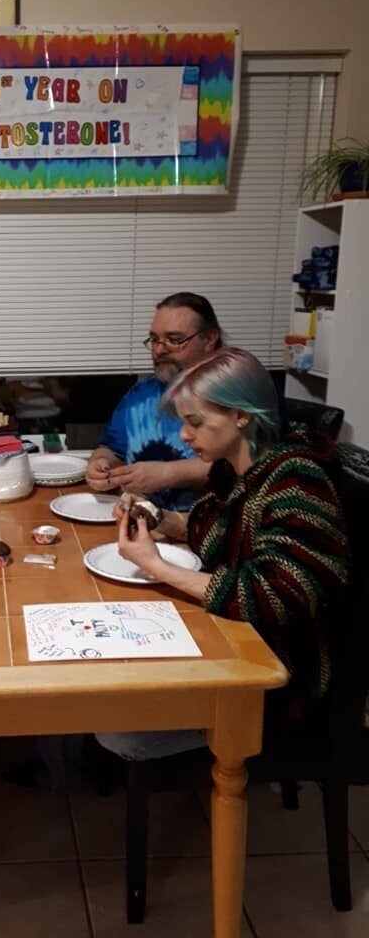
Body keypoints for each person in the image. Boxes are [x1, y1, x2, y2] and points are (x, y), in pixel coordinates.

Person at [96, 347, 349, 763]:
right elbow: (216, 530)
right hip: (231, 639)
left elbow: (271, 596)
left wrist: (155, 564)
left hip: (277, 677)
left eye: (195, 422)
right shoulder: (236, 469)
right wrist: (161, 519)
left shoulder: (297, 482)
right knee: (114, 677)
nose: (183, 435)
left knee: (117, 729)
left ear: (242, 416)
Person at [86, 292, 222, 510]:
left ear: (209, 339)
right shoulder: (141, 394)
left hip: (208, 531)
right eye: (155, 339)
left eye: (175, 340)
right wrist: (99, 464)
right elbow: (111, 449)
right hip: (141, 523)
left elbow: (248, 466)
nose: (159, 350)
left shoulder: (234, 393)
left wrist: (169, 474)